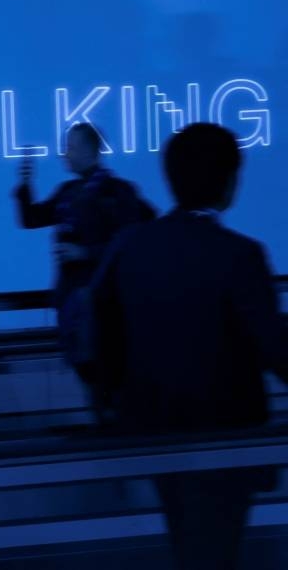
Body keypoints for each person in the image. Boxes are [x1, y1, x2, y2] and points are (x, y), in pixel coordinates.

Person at [90, 123, 288, 569]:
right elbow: (276, 348)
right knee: (215, 548)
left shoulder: (132, 244)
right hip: (228, 435)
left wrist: (112, 401)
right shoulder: (240, 254)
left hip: (156, 428)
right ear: (229, 179)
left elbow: (101, 327)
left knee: (188, 542)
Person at [13, 123, 154, 393]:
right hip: (73, 303)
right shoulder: (67, 192)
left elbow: (131, 244)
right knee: (90, 375)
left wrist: (86, 252)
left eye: (71, 147)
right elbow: (31, 218)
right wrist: (25, 185)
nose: (64, 154)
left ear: (91, 150)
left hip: (103, 305)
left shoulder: (118, 193)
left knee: (107, 376)